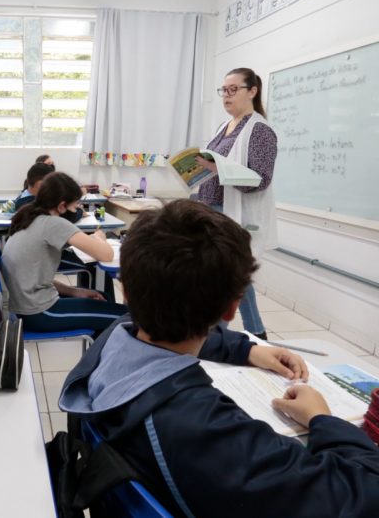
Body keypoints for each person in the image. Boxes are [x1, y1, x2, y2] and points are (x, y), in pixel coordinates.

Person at [59, 199, 379, 517]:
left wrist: (248, 350)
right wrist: (324, 420)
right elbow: (362, 495)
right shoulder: (205, 430)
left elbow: (162, 330)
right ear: (232, 308)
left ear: (126, 291)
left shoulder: (113, 340)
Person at [195, 67, 278, 340]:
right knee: (233, 276)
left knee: (229, 277)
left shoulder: (260, 130)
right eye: (224, 90)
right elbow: (216, 165)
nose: (226, 96)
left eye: (233, 90)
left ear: (252, 91)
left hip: (233, 215)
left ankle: (217, 334)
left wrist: (217, 169)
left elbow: (261, 179)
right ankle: (254, 332)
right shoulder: (224, 126)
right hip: (212, 210)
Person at [2, 172, 127, 336]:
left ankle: (101, 354)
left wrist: (76, 292)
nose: (76, 211)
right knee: (124, 317)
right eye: (75, 207)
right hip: (39, 312)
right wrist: (99, 237)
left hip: (28, 307)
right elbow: (107, 255)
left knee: (101, 297)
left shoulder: (31, 217)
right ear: (61, 206)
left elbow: (35, 277)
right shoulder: (53, 223)